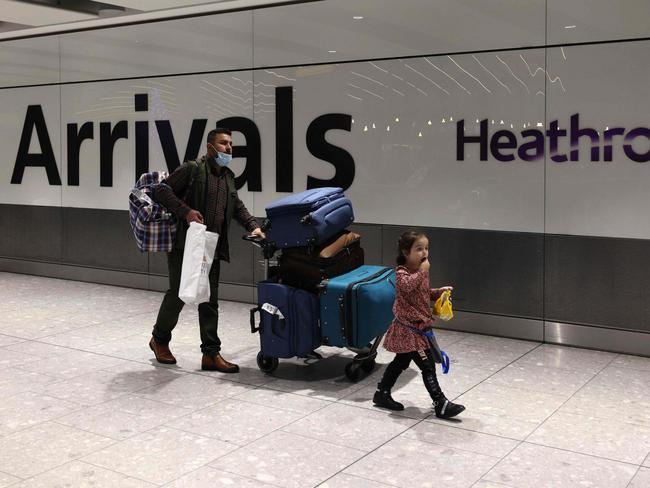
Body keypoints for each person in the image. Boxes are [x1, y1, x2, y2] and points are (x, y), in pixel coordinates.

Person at [149, 128, 264, 373]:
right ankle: (159, 339)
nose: (229, 148)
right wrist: (186, 212)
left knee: (209, 299)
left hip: (211, 245)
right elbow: (161, 190)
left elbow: (237, 206)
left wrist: (253, 226)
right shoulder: (192, 169)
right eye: (223, 143)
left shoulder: (228, 177)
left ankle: (211, 354)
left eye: (231, 143)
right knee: (180, 293)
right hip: (187, 243)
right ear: (210, 147)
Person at [373, 230, 465, 419]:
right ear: (406, 252)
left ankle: (382, 392)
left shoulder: (418, 272)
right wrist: (423, 272)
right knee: (427, 365)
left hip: (419, 328)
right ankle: (440, 403)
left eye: (426, 249)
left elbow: (419, 293)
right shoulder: (402, 272)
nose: (424, 253)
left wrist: (437, 292)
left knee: (401, 361)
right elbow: (407, 287)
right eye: (419, 249)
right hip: (409, 330)